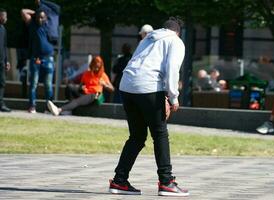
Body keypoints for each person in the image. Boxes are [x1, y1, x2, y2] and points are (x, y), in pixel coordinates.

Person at [109, 17, 189, 197]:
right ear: (178, 32)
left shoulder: (148, 38)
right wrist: (173, 98)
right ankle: (167, 182)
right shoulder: (175, 41)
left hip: (127, 86)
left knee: (137, 136)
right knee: (160, 133)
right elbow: (172, 69)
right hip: (149, 86)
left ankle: (119, 181)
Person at [21, 0, 60, 113]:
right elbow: (23, 11)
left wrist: (41, 12)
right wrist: (36, 12)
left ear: (46, 18)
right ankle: (32, 106)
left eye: (42, 17)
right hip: (36, 58)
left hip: (49, 58)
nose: (39, 19)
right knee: (34, 83)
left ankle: (49, 107)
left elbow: (57, 10)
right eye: (38, 17)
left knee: (48, 85)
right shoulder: (32, 25)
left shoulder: (49, 26)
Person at [47, 56, 114, 116]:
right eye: (95, 67)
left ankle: (59, 110)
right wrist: (81, 87)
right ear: (91, 65)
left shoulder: (103, 75)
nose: (96, 69)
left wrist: (105, 85)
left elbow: (112, 89)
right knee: (70, 87)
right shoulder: (87, 73)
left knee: (77, 101)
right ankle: (69, 110)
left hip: (93, 95)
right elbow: (80, 86)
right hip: (85, 92)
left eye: (98, 67)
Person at [0, 8, 11, 112]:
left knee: (2, 82)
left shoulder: (3, 29)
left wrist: (7, 61)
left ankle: (1, 104)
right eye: (5, 16)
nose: (6, 18)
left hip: (1, 62)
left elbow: (4, 46)